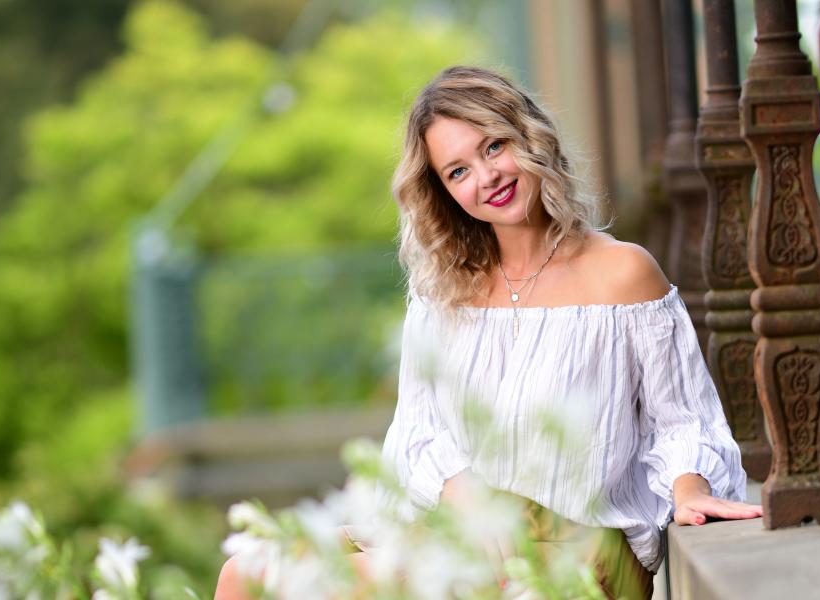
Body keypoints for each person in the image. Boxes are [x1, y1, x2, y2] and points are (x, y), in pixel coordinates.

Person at [216, 65, 761, 599]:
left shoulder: (623, 273)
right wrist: (462, 492)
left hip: (575, 548)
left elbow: (683, 419)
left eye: (494, 147)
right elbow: (417, 433)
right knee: (246, 572)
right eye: (458, 171)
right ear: (443, 192)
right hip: (469, 530)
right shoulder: (442, 292)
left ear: (530, 138)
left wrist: (690, 489)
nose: (486, 178)